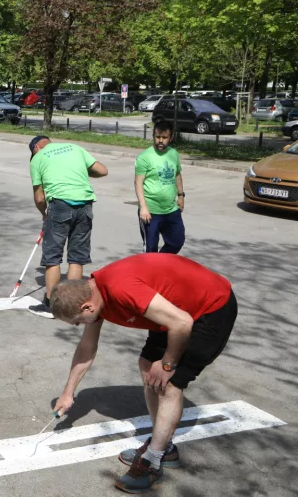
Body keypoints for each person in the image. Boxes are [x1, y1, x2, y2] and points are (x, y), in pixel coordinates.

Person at [48, 253, 238, 493]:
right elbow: (87, 349)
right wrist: (68, 393)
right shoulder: (93, 295)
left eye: (77, 322)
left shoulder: (121, 290)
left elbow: (182, 324)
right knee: (148, 366)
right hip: (173, 309)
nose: (79, 326)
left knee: (168, 384)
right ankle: (164, 447)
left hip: (209, 309)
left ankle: (153, 460)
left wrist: (168, 363)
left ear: (87, 306)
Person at [29, 135, 108, 315]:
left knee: (53, 256)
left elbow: (40, 197)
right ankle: (72, 306)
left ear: (36, 149)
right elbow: (102, 171)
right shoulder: (74, 148)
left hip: (60, 205)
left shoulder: (38, 159)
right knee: (77, 256)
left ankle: (51, 305)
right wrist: (79, 171)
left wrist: (44, 214)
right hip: (85, 204)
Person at [135, 120, 185, 254]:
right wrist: (143, 207)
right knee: (151, 249)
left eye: (164, 137)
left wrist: (181, 195)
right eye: (158, 137)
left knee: (177, 241)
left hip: (170, 209)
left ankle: (160, 264)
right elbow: (138, 183)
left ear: (171, 138)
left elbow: (177, 175)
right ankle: (151, 271)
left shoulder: (173, 154)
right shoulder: (145, 157)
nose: (160, 141)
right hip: (151, 212)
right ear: (153, 136)